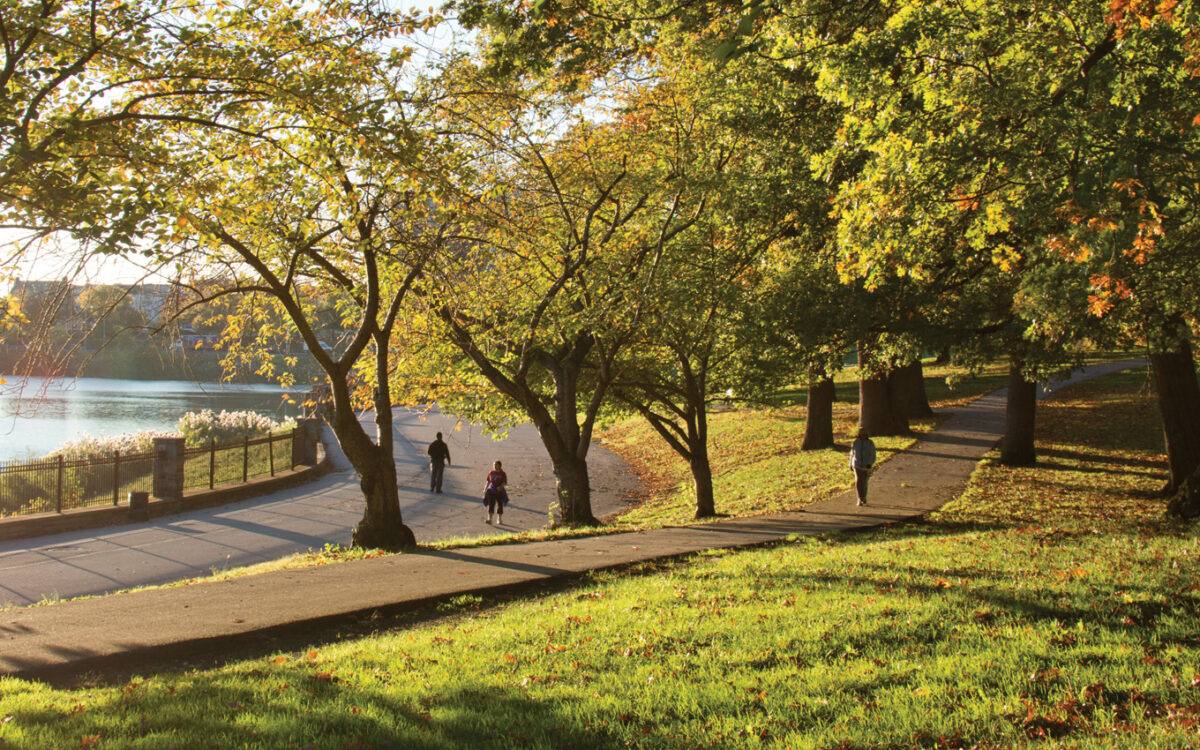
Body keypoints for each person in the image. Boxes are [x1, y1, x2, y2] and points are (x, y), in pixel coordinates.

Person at [849, 428, 876, 506]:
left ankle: (864, 497)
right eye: (861, 434)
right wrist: (850, 464)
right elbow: (852, 454)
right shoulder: (855, 443)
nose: (862, 435)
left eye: (864, 434)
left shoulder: (870, 443)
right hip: (857, 465)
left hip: (866, 466)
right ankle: (859, 498)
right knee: (858, 481)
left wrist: (870, 463)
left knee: (864, 482)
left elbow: (872, 454)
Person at [482, 460, 509, 525]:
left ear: (499, 465)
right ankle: (490, 519)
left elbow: (504, 482)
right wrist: (485, 489)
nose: (494, 466)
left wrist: (500, 487)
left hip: (499, 491)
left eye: (496, 464)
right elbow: (488, 481)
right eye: (494, 464)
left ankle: (499, 519)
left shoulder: (502, 473)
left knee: (500, 504)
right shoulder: (491, 472)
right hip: (491, 490)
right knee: (491, 504)